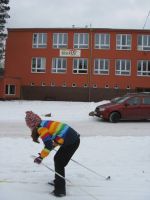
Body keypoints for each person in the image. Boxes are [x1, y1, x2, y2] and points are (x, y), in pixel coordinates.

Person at [25, 111, 80, 197]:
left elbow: (48, 144)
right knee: (58, 160)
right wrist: (49, 149)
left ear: (32, 125)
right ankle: (58, 181)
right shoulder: (45, 123)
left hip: (71, 142)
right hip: (73, 139)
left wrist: (41, 157)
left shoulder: (41, 128)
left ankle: (60, 191)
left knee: (59, 162)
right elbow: (59, 136)